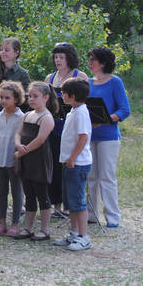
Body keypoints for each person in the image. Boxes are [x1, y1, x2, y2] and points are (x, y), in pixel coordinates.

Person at [86, 47, 130, 228]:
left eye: (93, 59)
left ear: (103, 63)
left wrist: (105, 120)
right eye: (89, 59)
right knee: (91, 176)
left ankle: (112, 217)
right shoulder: (88, 82)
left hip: (108, 136)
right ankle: (90, 214)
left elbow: (124, 110)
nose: (89, 62)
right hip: (89, 135)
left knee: (106, 176)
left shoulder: (115, 82)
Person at [45, 42, 88, 217]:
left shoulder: (80, 75)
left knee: (69, 167)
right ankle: (55, 204)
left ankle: (70, 207)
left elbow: (86, 99)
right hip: (54, 125)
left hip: (71, 123)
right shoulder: (50, 77)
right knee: (54, 165)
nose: (58, 60)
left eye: (61, 57)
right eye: (56, 57)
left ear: (69, 58)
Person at [13, 82, 58, 241]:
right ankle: (28, 228)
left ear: (46, 98)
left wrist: (23, 151)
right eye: (30, 96)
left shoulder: (46, 117)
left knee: (42, 195)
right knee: (29, 194)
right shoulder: (27, 115)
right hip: (26, 158)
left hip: (38, 160)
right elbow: (18, 133)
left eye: (35, 96)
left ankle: (45, 230)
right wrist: (18, 145)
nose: (31, 99)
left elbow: (40, 140)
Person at [54, 78, 93, 251]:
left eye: (64, 93)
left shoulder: (82, 113)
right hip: (69, 162)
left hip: (78, 164)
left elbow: (83, 137)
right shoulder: (72, 112)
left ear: (73, 95)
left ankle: (84, 236)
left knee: (78, 200)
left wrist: (72, 158)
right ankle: (74, 233)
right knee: (70, 201)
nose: (61, 95)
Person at [0, 81, 25, 236]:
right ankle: (1, 223)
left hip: (13, 158)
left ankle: (15, 224)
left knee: (16, 191)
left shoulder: (22, 117)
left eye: (7, 98)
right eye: (1, 97)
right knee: (2, 191)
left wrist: (18, 161)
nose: (3, 101)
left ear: (16, 99)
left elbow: (21, 140)